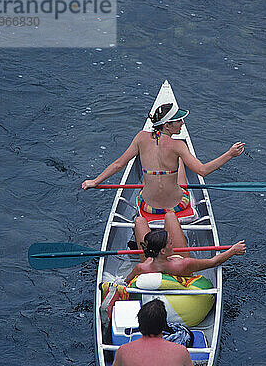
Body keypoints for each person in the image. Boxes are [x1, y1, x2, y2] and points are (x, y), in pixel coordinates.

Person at [82, 102, 245, 214]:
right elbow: (202, 171)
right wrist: (229, 154)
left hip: (147, 206)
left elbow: (118, 164)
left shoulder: (140, 138)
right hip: (177, 206)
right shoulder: (179, 145)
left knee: (149, 176)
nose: (182, 123)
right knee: (180, 161)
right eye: (178, 120)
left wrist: (95, 181)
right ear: (167, 125)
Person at [124, 210, 246, 284]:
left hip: (154, 264)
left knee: (139, 221)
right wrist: (233, 250)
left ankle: (145, 236)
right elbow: (213, 262)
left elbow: (126, 282)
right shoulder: (184, 264)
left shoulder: (141, 267)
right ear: (162, 250)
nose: (172, 242)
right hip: (175, 268)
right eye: (170, 242)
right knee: (170, 215)